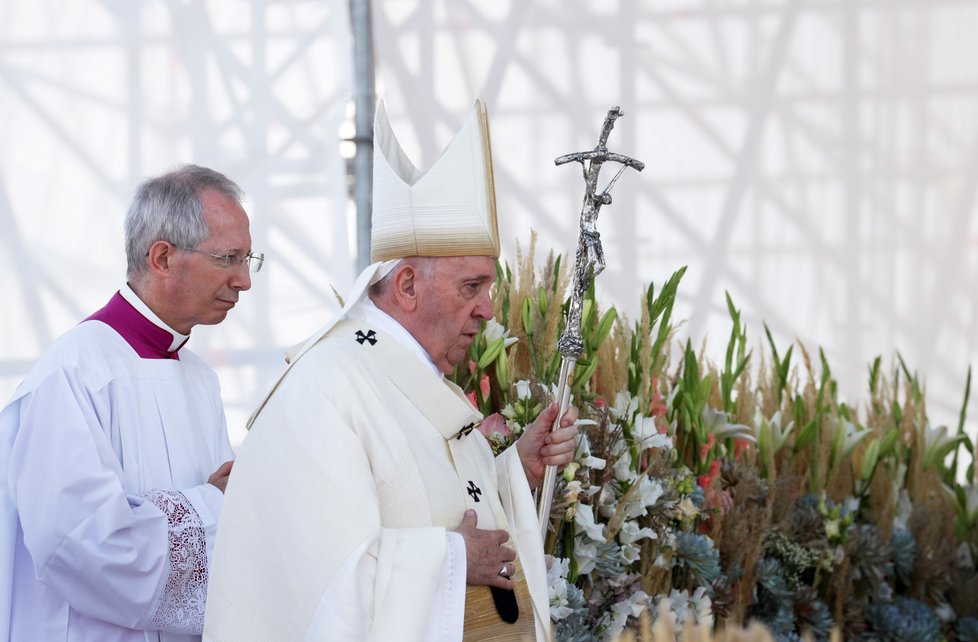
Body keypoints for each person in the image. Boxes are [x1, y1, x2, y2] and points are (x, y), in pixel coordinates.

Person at [203, 100, 577, 641]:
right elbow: (321, 580)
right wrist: (450, 558)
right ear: (405, 286)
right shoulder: (328, 386)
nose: (489, 309)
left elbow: (429, 508)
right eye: (471, 287)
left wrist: (516, 468)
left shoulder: (416, 381)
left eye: (488, 288)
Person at [0, 164, 262, 641]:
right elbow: (80, 545)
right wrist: (214, 506)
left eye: (250, 258)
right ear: (162, 257)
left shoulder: (199, 378)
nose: (244, 280)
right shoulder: (76, 372)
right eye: (228, 258)